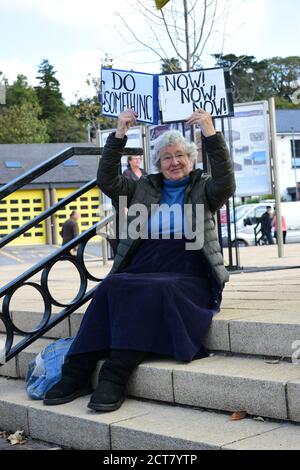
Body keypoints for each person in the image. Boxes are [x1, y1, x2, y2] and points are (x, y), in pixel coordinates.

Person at [44, 108, 236, 412]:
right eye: (166, 158)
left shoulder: (204, 187)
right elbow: (107, 180)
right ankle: (76, 371)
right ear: (157, 164)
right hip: (145, 262)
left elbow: (226, 182)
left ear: (190, 159)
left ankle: (115, 374)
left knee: (156, 289)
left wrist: (210, 133)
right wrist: (120, 133)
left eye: (180, 156)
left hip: (189, 269)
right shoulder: (142, 188)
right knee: (112, 285)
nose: (174, 162)